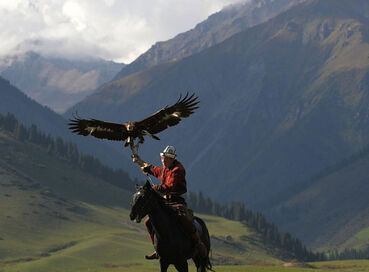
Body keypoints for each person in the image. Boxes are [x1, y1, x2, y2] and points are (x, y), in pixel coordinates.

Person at [132, 145, 207, 260]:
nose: (163, 160)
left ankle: (198, 243)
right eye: (162, 158)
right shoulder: (166, 168)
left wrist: (155, 188)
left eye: (165, 158)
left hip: (177, 200)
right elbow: (156, 171)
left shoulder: (178, 170)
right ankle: (158, 249)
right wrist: (142, 164)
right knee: (148, 222)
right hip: (165, 201)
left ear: (172, 159)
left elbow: (169, 186)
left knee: (184, 218)